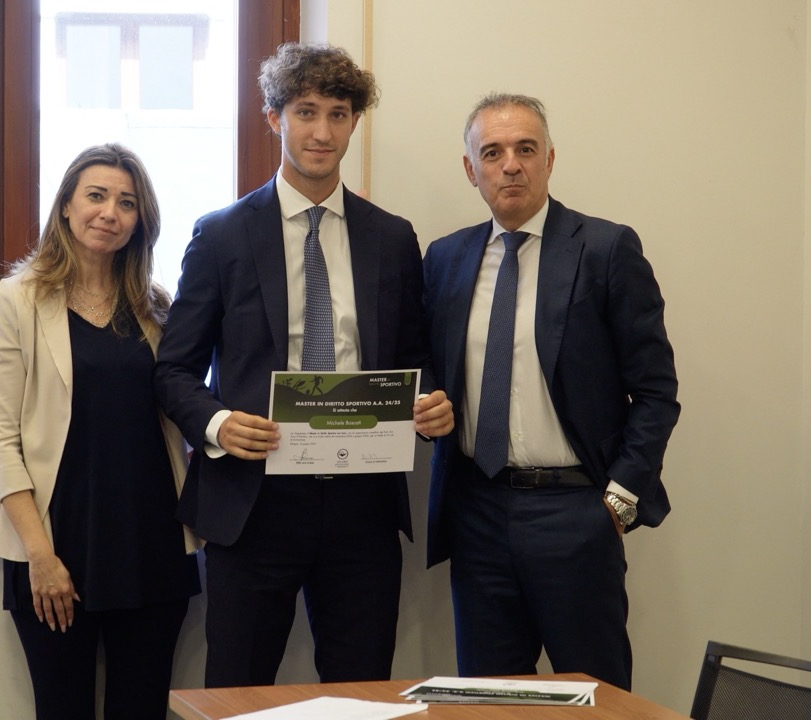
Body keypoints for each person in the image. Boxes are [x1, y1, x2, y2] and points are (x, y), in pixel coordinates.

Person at [154, 42, 454, 688]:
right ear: (274, 117)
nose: (322, 132)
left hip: (363, 504)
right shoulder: (221, 235)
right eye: (306, 111)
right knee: (238, 690)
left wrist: (429, 401)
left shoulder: (392, 236)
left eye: (338, 114)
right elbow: (173, 369)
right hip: (253, 499)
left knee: (361, 691)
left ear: (354, 122)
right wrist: (218, 424)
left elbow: (414, 358)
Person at [422, 93, 680, 690]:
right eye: (492, 153)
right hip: (477, 511)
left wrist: (618, 503)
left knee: (595, 696)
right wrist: (428, 402)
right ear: (471, 170)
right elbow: (429, 366)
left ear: (550, 159)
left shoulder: (606, 249)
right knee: (488, 697)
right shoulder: (445, 258)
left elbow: (656, 392)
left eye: (525, 149)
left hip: (576, 512)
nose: (510, 165)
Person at [0, 143, 200, 719]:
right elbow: (1, 439)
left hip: (152, 543)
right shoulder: (20, 298)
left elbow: (183, 409)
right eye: (96, 196)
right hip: (57, 543)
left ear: (140, 221)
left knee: (143, 710)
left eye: (127, 203)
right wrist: (40, 555)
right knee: (62, 710)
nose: (110, 212)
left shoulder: (156, 307)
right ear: (66, 207)